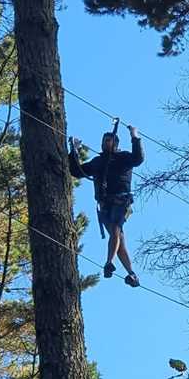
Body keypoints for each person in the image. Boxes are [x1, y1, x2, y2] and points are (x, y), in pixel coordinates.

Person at [69, 122, 144, 287]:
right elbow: (76, 171)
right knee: (118, 239)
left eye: (109, 141)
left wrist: (134, 136)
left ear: (116, 144)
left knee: (116, 231)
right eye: (104, 141)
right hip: (104, 205)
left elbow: (138, 158)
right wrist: (74, 149)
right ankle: (132, 274)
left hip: (121, 201)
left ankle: (109, 262)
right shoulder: (98, 162)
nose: (105, 144)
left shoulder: (124, 158)